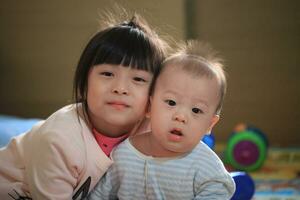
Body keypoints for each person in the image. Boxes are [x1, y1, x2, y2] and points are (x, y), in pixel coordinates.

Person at [0, 12, 167, 200]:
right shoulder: (59, 141)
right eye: (107, 74)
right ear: (84, 83)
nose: (120, 88)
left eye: (138, 79)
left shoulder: (154, 134)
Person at [88, 40, 236, 200]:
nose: (180, 117)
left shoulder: (207, 169)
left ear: (210, 124)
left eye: (196, 110)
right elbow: (99, 195)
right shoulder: (123, 156)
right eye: (171, 102)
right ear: (150, 107)